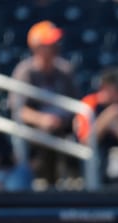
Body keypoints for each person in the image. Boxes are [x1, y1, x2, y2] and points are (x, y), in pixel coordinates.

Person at [8, 20, 78, 185]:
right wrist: (43, 120)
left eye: (55, 42)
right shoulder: (25, 71)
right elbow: (19, 109)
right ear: (36, 47)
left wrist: (67, 120)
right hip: (36, 130)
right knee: (47, 138)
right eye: (49, 43)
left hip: (63, 126)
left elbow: (75, 104)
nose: (55, 47)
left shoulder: (65, 70)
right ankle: (50, 185)